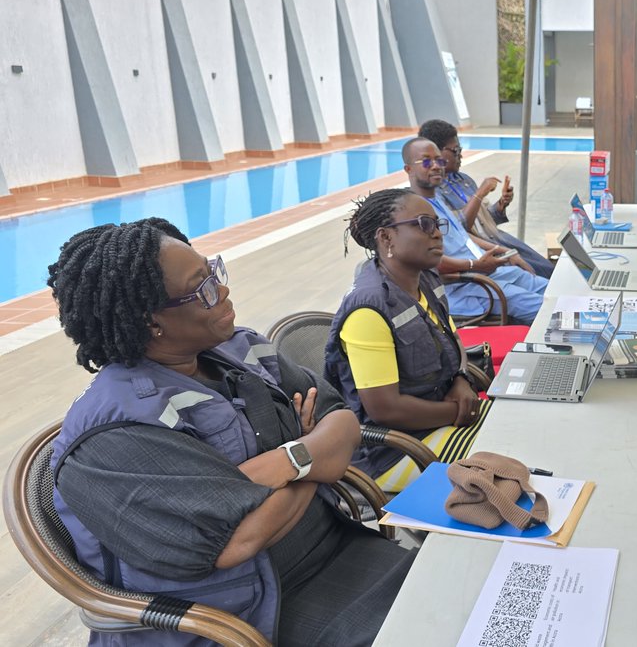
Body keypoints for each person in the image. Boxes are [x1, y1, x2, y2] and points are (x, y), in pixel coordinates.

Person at [46, 218, 413, 646]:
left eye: (214, 272)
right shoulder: (112, 439)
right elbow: (236, 542)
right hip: (246, 618)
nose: (222, 291)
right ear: (150, 323)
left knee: (463, 591)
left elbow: (343, 421)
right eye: (201, 288)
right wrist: (313, 456)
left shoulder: (240, 348)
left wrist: (284, 463)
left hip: (339, 548)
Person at [325, 188, 488, 491]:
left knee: (520, 428)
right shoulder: (368, 310)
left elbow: (453, 340)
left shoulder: (425, 279)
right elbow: (385, 409)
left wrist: (462, 380)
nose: (437, 234)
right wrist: (459, 411)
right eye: (424, 224)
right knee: (510, 451)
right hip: (396, 452)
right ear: (386, 238)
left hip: (438, 422)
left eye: (438, 225)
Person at [402, 137, 547, 323]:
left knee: (553, 289)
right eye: (427, 161)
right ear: (408, 169)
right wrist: (474, 266)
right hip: (466, 285)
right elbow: (428, 262)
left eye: (439, 160)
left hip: (489, 273)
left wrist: (505, 252)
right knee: (544, 309)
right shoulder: (412, 210)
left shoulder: (436, 197)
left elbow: (462, 235)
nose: (436, 166)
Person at [419, 119, 555, 278]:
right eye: (455, 150)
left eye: (460, 149)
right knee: (537, 273)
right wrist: (480, 194)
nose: (460, 155)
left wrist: (501, 204)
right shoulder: (434, 193)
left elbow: (485, 219)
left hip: (497, 238)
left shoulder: (463, 179)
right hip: (482, 248)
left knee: (547, 268)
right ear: (438, 153)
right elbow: (460, 229)